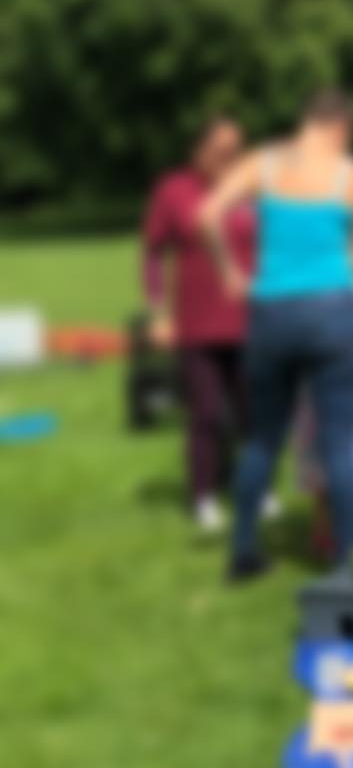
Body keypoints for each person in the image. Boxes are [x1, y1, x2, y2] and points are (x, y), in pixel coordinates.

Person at [199, 90, 353, 583]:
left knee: (262, 438)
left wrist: (231, 272)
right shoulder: (352, 173)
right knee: (340, 444)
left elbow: (207, 216)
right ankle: (348, 564)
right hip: (334, 313)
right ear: (341, 128)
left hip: (272, 314)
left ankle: (242, 553)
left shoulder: (262, 164)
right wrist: (345, 264)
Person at [141, 114, 256, 533]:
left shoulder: (250, 191)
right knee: (205, 414)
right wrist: (159, 311)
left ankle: (259, 491)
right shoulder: (174, 190)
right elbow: (152, 254)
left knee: (254, 416)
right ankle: (204, 497)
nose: (230, 157)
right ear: (200, 149)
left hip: (250, 323)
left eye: (237, 149)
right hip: (196, 326)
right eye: (222, 149)